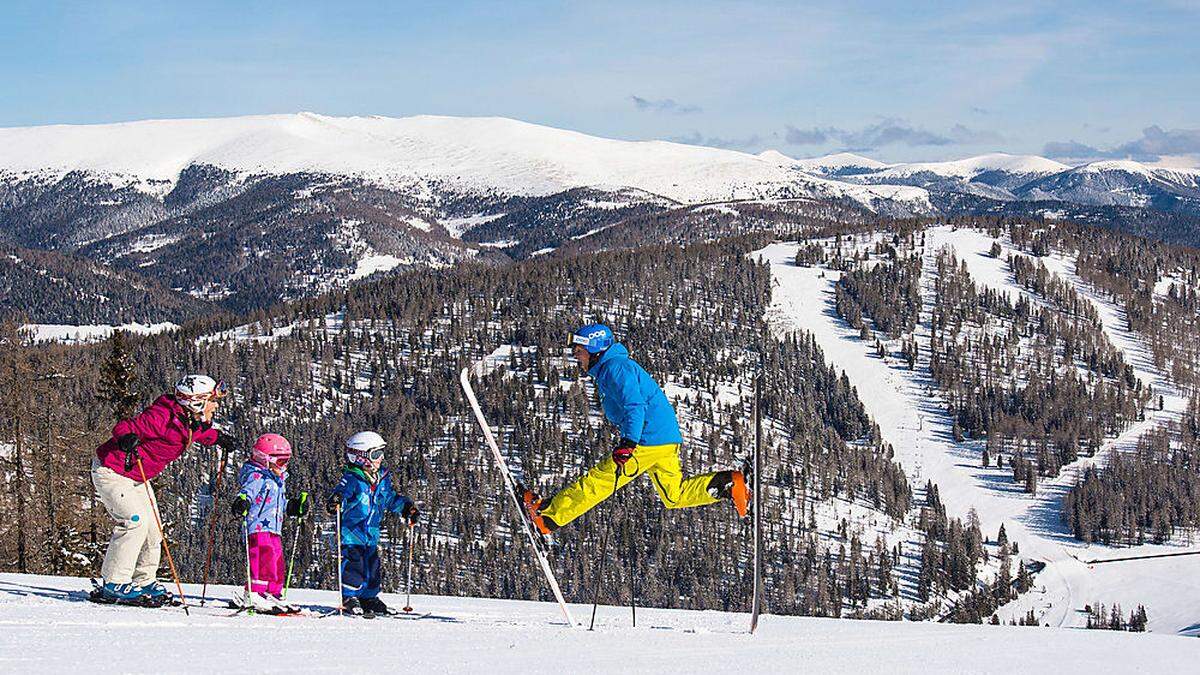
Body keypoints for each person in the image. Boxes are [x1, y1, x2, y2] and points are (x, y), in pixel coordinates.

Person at [521, 324, 749, 535]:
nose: (576, 356)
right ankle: (730, 483)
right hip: (665, 438)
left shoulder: (615, 368)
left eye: (579, 350)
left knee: (599, 481)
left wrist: (629, 443)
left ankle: (547, 518)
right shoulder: (611, 369)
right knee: (674, 495)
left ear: (594, 350)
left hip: (647, 439)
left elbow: (635, 405)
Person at [90, 374, 236, 606]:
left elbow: (198, 433)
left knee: (154, 530)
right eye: (213, 400)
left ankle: (143, 580)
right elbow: (125, 426)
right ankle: (114, 584)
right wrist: (127, 437)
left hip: (137, 477)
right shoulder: (162, 416)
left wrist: (218, 438)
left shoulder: (190, 420)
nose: (216, 405)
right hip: (113, 471)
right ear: (197, 401)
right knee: (134, 522)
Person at [327, 431, 420, 616]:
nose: (380, 458)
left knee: (372, 565)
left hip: (371, 533)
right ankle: (350, 596)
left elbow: (388, 499)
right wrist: (336, 501)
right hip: (351, 532)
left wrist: (406, 507)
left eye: (381, 453)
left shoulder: (381, 479)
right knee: (355, 564)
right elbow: (341, 494)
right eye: (376, 454)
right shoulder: (352, 478)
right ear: (361, 457)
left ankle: (369, 597)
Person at [229, 433, 309, 613]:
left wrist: (294, 507)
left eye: (287, 461)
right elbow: (247, 492)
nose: (284, 466)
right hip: (257, 526)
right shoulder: (257, 476)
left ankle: (273, 592)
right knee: (262, 556)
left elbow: (279, 503)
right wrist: (242, 501)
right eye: (281, 462)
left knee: (276, 559)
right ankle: (255, 591)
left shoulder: (277, 479)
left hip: (274, 526)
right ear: (265, 459)